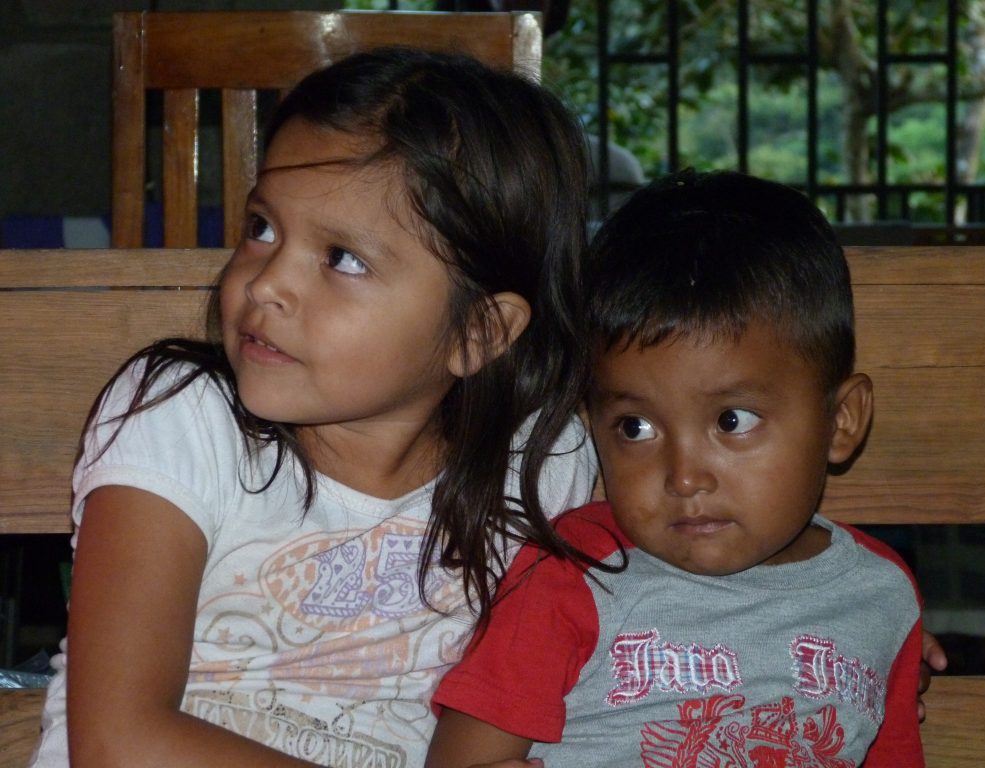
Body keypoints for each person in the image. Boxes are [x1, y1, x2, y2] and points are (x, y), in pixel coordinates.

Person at [29, 47, 600, 768]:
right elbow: (120, 742)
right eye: (262, 227)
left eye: (343, 259)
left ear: (477, 333)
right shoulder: (182, 418)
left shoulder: (543, 466)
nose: (267, 284)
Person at [428, 169, 925, 767]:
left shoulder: (880, 596)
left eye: (733, 421)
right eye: (635, 428)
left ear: (842, 421)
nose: (684, 477)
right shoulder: (576, 574)